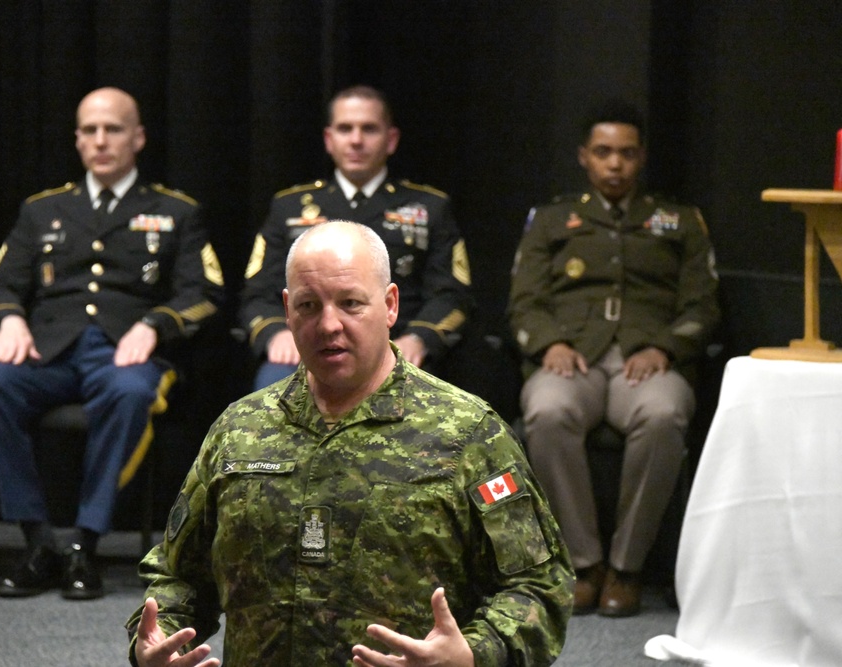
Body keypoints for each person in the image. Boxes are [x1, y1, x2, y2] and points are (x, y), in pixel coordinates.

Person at [127, 221, 573, 666]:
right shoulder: (238, 430)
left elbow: (539, 584)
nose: (328, 325)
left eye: (351, 303)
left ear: (390, 304)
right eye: (308, 305)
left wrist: (475, 654)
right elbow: (176, 576)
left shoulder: (468, 433)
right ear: (287, 309)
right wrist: (157, 641)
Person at [0, 87, 224, 600]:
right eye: (90, 130)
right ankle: (38, 541)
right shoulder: (42, 210)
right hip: (48, 352)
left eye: (114, 129)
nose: (101, 140)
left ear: (138, 137)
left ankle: (85, 544)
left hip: (127, 351)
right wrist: (8, 319)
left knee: (129, 394)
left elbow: (205, 292)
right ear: (77, 140)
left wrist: (155, 325)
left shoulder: (175, 211)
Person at [507, 100, 719, 617]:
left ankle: (627, 567)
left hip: (648, 359)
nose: (615, 164)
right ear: (585, 157)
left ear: (641, 157)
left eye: (626, 153)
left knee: (665, 414)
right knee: (547, 412)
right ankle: (584, 565)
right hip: (569, 355)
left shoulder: (680, 221)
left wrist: (666, 345)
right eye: (603, 153)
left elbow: (703, 303)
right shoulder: (552, 219)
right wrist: (548, 343)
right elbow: (525, 299)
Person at [239, 85, 474, 391]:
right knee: (270, 394)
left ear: (391, 140)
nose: (356, 140)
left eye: (369, 129)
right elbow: (257, 293)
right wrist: (275, 333)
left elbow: (452, 295)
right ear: (329, 139)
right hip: (309, 348)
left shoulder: (429, 208)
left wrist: (420, 338)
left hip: (398, 349)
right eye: (345, 128)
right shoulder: (289, 208)